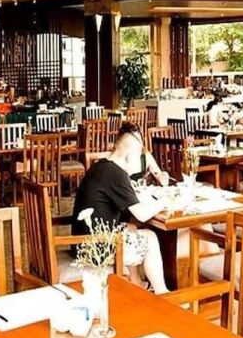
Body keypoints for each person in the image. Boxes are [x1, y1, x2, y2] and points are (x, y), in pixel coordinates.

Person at [71, 122, 172, 293]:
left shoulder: (101, 166)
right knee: (150, 237)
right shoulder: (117, 174)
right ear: (128, 157)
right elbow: (141, 214)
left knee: (130, 227)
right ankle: (162, 292)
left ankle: (136, 283)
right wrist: (165, 201)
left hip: (82, 242)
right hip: (95, 248)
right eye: (138, 158)